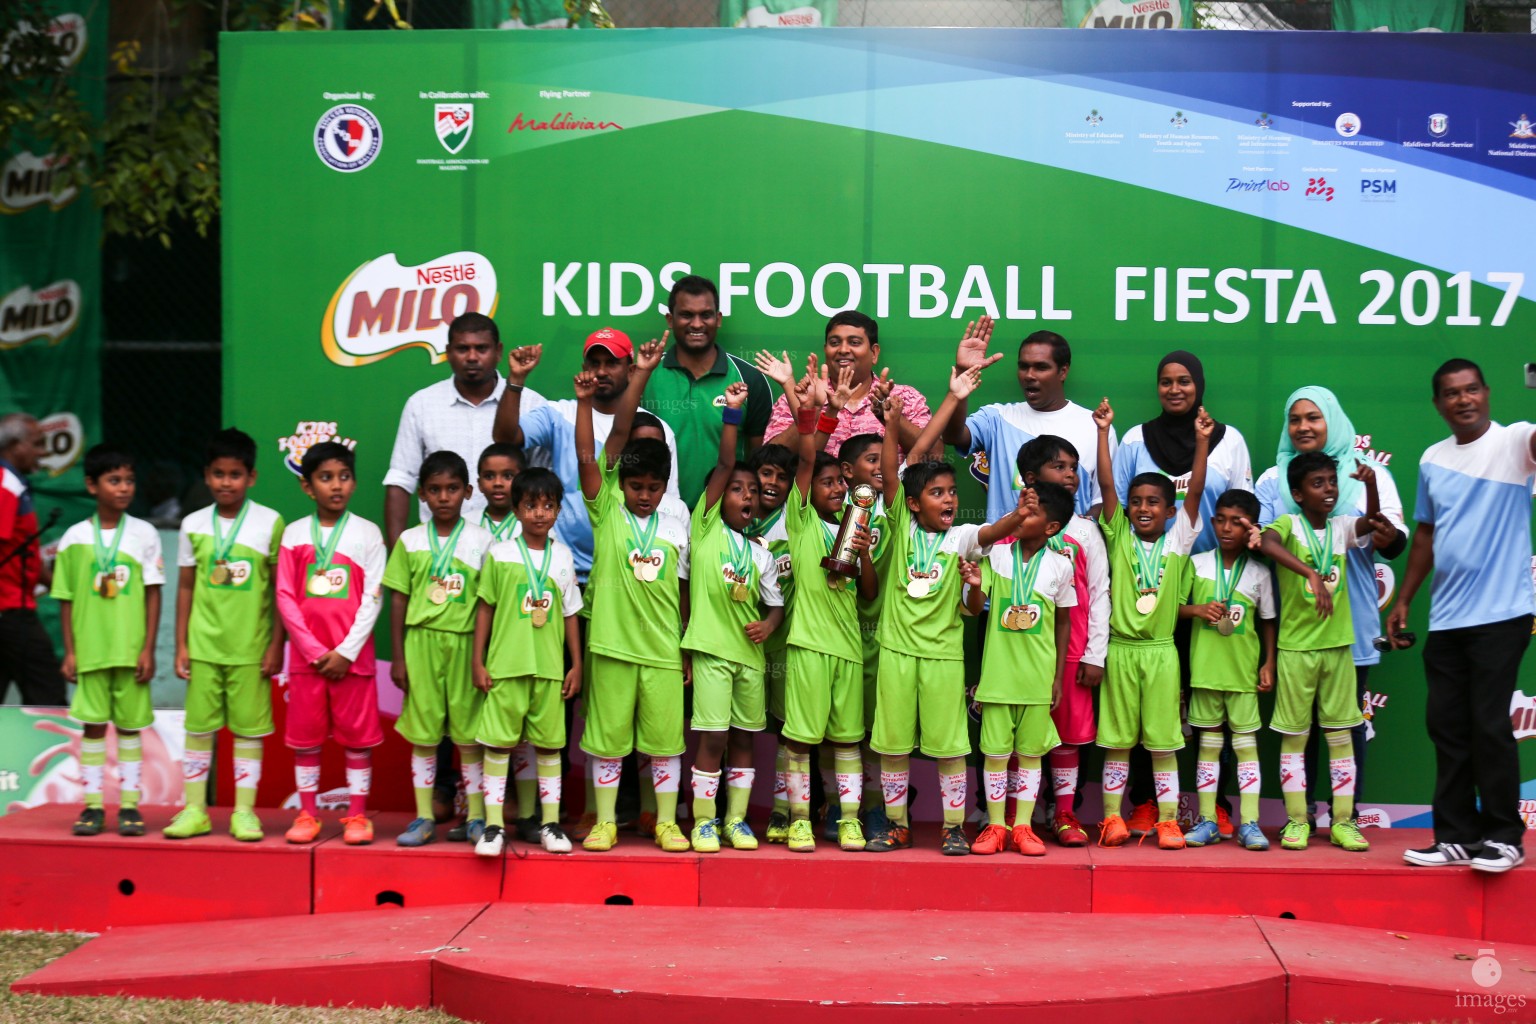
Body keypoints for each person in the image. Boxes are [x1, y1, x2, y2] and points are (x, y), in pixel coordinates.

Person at [868, 366, 1023, 856]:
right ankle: (898, 825)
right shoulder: (899, 524)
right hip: (896, 653)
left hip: (942, 658)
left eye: (953, 492)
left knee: (951, 746)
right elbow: (899, 470)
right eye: (937, 494)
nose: (950, 500)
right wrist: (891, 422)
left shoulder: (960, 540)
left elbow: (978, 592)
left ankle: (954, 828)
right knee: (892, 745)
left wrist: (1020, 514)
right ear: (913, 504)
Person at [1392, 359, 1536, 874]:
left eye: (1472, 389)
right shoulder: (1433, 459)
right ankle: (1455, 836)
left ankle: (1504, 838)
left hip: (1503, 614)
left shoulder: (1516, 442)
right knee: (1447, 727)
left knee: (1488, 724)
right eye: (1452, 393)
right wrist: (1406, 597)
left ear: (1487, 393)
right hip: (1448, 618)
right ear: (1438, 404)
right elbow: (1426, 533)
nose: (1464, 399)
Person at [1255, 386, 1406, 818]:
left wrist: (1383, 529)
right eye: (1295, 419)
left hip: (1349, 623)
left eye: (1314, 418)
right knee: (1296, 726)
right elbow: (1262, 542)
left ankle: (1347, 812)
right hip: (1295, 624)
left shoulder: (1367, 473)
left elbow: (1391, 539)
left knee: (1347, 723)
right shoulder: (1272, 479)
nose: (1304, 426)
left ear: (1333, 421)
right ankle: (1298, 816)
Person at [576, 336, 692, 853]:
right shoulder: (607, 513)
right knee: (606, 742)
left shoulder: (676, 523)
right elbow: (600, 445)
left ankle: (666, 821)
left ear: (665, 485)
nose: (643, 494)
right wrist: (637, 374)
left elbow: (684, 588)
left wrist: (686, 643)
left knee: (665, 743)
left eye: (653, 486)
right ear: (620, 482)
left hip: (664, 652)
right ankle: (604, 821)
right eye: (635, 485)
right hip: (613, 647)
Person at [1093, 396, 1211, 850]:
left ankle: (1167, 820)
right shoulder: (1118, 532)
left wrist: (1201, 443)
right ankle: (1111, 819)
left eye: (1154, 503)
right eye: (1137, 502)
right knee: (1118, 743)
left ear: (1168, 511)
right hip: (1120, 652)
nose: (1144, 509)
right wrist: (1104, 433)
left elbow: (1196, 492)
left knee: (1163, 743)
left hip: (1162, 653)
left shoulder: (1179, 539)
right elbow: (1106, 485)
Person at [771, 367, 875, 854]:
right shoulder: (802, 520)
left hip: (849, 652)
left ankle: (849, 820)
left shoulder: (858, 524)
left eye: (840, 482)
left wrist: (862, 548)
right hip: (808, 649)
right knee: (800, 742)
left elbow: (869, 593)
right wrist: (828, 409)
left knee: (847, 742)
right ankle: (798, 821)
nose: (834, 488)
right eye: (826, 482)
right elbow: (808, 458)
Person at [164, 429, 286, 842]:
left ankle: (244, 813)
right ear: (206, 476)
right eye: (218, 474)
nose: (226, 483)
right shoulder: (192, 524)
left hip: (251, 649)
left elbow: (278, 589)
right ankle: (195, 809)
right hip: (203, 648)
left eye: (235, 474)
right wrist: (181, 643)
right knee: (198, 729)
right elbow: (184, 587)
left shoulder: (269, 522)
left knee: (249, 732)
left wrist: (275, 644)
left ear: (251, 477)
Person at [1256, 452, 1380, 853]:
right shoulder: (1287, 525)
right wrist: (1309, 571)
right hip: (1295, 651)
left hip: (1338, 649)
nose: (1328, 490)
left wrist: (1372, 486)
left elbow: (1374, 524)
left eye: (1332, 481)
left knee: (1341, 736)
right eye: (1318, 483)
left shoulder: (1342, 527)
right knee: (1294, 739)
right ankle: (1297, 821)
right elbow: (1267, 543)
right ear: (1296, 493)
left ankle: (1343, 821)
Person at [680, 382, 784, 853]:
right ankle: (704, 820)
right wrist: (733, 416)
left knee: (746, 738)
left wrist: (769, 625)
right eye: (735, 490)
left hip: (750, 659)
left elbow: (775, 604)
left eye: (751, 491)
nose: (745, 496)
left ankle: (736, 821)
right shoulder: (703, 531)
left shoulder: (759, 552)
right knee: (713, 738)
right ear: (715, 498)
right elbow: (725, 464)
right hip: (711, 655)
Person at [492, 328, 681, 581]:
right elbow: (505, 439)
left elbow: (666, 504)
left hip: (629, 574)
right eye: (594, 363)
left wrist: (644, 374)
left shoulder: (654, 430)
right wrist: (515, 381)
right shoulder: (558, 414)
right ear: (583, 366)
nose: (601, 371)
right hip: (559, 567)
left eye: (612, 363)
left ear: (630, 369)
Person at [275, 442, 386, 846]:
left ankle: (356, 816)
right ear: (307, 486)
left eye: (343, 477)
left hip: (352, 662)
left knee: (358, 741)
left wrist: (345, 652)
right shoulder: (293, 535)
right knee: (305, 741)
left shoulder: (367, 534)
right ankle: (307, 814)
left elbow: (374, 595)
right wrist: (315, 652)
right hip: (309, 662)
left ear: (354, 482)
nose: (335, 486)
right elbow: (285, 597)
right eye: (325, 478)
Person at [382, 451, 495, 849]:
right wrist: (398, 656)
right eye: (434, 490)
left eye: (451, 489)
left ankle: (478, 816)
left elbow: (488, 603)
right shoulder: (409, 542)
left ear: (467, 492)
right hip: (422, 643)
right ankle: (424, 816)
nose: (443, 497)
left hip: (465, 645)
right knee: (425, 734)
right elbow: (397, 600)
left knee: (469, 736)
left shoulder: (483, 540)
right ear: (421, 494)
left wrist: (484, 657)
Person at [472, 466, 584, 856]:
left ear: (557, 510)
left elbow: (571, 614)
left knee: (550, 748)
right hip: (505, 667)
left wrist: (576, 664)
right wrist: (478, 661)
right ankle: (492, 826)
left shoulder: (564, 557)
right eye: (531, 505)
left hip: (550, 670)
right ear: (517, 510)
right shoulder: (499, 554)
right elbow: (485, 608)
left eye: (548, 505)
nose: (540, 513)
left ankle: (550, 823)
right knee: (499, 746)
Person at [53, 445, 163, 837]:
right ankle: (93, 806)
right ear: (91, 485)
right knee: (94, 727)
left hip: (130, 651)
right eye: (113, 480)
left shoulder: (145, 533)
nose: (123, 488)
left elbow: (153, 593)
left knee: (131, 729)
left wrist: (148, 648)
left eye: (129, 481)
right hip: (92, 652)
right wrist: (70, 650)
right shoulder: (73, 538)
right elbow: (65, 598)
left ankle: (130, 806)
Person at [966, 482, 1075, 857]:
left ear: (1050, 527)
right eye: (1020, 510)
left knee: (1030, 754)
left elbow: (1063, 623)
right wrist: (977, 586)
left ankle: (1024, 828)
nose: (1021, 517)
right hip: (997, 678)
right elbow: (975, 604)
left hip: (1036, 680)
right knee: (996, 754)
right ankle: (996, 826)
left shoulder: (1061, 566)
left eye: (1031, 513)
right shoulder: (996, 556)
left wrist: (1057, 677)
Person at [1014, 435, 1109, 847]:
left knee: (1067, 737)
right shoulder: (1013, 526)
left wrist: (1095, 654)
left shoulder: (1086, 531)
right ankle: (1022, 815)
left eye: (1073, 466)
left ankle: (1065, 812)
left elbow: (1101, 592)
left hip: (1071, 654)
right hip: (1021, 655)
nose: (1070, 474)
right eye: (1059, 466)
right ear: (1031, 479)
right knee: (1023, 737)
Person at [383, 312, 548, 548]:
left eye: (481, 348)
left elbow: (543, 483)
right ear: (448, 352)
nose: (472, 357)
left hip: (515, 552)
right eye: (463, 349)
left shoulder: (532, 404)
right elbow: (401, 481)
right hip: (439, 552)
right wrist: (398, 559)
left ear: (498, 351)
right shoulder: (421, 404)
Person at [1179, 489, 1275, 852]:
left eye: (1237, 521)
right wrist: (1198, 610)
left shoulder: (1260, 572)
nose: (1226, 527)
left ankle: (1249, 824)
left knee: (1247, 748)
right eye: (1221, 519)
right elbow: (1175, 609)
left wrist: (1268, 662)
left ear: (1252, 525)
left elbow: (1268, 621)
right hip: (1205, 672)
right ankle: (1207, 821)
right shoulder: (1197, 563)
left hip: (1242, 675)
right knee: (1208, 747)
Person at [942, 319, 1111, 518]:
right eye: (1023, 367)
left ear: (1063, 371)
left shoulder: (1096, 426)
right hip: (1003, 548)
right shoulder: (997, 418)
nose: (1029, 375)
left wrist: (1080, 532)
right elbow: (953, 435)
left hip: (1069, 548)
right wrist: (963, 374)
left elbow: (1104, 501)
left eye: (1041, 367)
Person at [642, 276, 774, 507]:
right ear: (670, 320)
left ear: (718, 319)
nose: (696, 324)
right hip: (657, 517)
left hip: (725, 521)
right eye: (686, 315)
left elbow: (758, 461)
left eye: (705, 315)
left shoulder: (749, 378)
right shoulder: (646, 376)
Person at [1113, 351, 1251, 555]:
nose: (1174, 390)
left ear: (1198, 385)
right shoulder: (1135, 440)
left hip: (1210, 574)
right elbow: (1117, 510)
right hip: (1147, 575)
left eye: (1184, 382)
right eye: (1166, 382)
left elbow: (1242, 511)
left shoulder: (1229, 440)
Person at [761, 312, 936, 461]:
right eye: (835, 343)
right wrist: (812, 410)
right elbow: (770, 461)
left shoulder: (905, 397)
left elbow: (935, 454)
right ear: (826, 350)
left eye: (854, 342)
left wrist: (891, 418)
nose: (843, 349)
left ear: (874, 353)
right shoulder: (799, 398)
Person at [743, 442, 797, 842]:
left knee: (784, 726)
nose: (773, 482)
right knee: (736, 728)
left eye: (782, 476)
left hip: (782, 642)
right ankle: (733, 813)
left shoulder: (792, 520)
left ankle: (781, 810)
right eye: (766, 474)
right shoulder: (734, 520)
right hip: (738, 642)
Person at [0, 413, 65, 705]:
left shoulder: (15, 483)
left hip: (14, 610)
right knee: (48, 699)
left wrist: (60, 586)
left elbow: (21, 552)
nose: (42, 452)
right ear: (15, 445)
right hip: (11, 614)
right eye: (37, 444)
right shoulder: (6, 484)